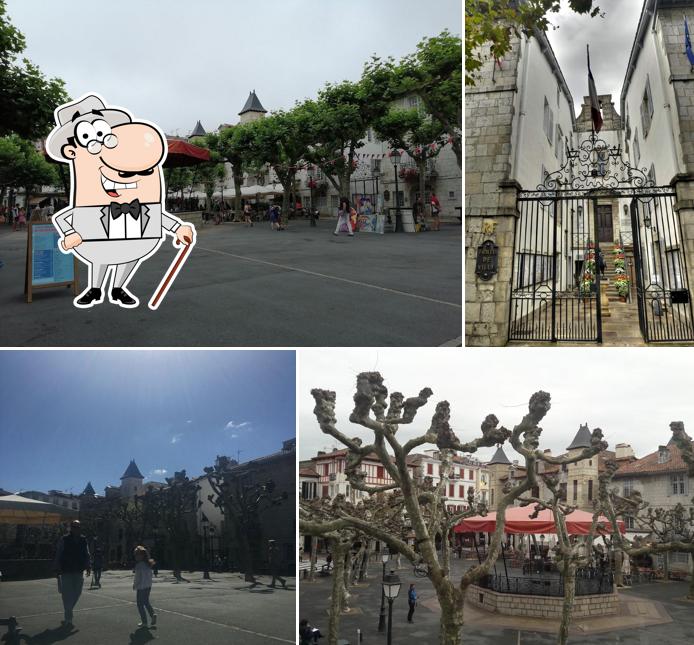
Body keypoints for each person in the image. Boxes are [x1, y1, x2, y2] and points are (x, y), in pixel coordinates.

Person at [53, 520, 91, 628]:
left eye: (78, 527)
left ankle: (68, 610)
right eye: (74, 526)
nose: (76, 528)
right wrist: (56, 568)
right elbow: (59, 553)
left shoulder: (83, 539)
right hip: (66, 570)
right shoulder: (64, 539)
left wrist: (88, 566)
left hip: (79, 570)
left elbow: (87, 553)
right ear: (70, 528)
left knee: (77, 593)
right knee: (66, 595)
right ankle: (68, 618)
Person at [133, 545, 157, 628]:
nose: (135, 556)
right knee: (146, 602)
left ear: (141, 556)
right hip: (148, 586)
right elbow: (150, 575)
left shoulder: (139, 566)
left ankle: (144, 622)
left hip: (141, 587)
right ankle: (152, 614)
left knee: (140, 604)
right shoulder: (148, 564)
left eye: (136, 555)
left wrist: (135, 585)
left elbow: (137, 578)